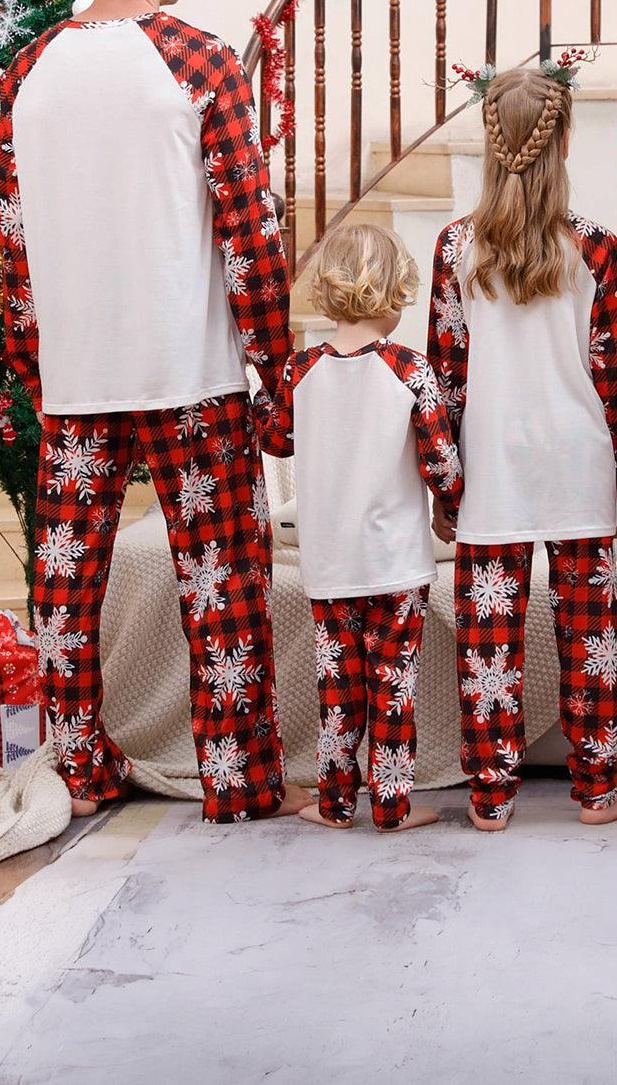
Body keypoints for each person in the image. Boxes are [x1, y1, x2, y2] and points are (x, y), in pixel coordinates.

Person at [0, 0, 308, 823]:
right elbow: (251, 231)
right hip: (188, 373)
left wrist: (35, 367)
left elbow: (14, 243)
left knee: (66, 589)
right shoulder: (198, 61)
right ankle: (239, 780)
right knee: (222, 586)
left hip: (77, 376)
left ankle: (80, 772)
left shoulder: (29, 73)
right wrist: (274, 368)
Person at [428, 62, 617, 831]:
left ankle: (490, 799)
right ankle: (597, 794)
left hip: (492, 473)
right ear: (563, 145)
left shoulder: (454, 248)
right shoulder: (597, 248)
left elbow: (444, 384)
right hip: (577, 469)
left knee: (487, 648)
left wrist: (445, 486)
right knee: (590, 642)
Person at [255, 223, 463, 831]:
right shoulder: (410, 369)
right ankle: (393, 808)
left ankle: (336, 805)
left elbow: (276, 440)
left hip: (329, 563)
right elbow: (442, 463)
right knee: (393, 687)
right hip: (396, 563)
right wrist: (451, 508)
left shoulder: (299, 371)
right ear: (394, 293)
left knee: (338, 691)